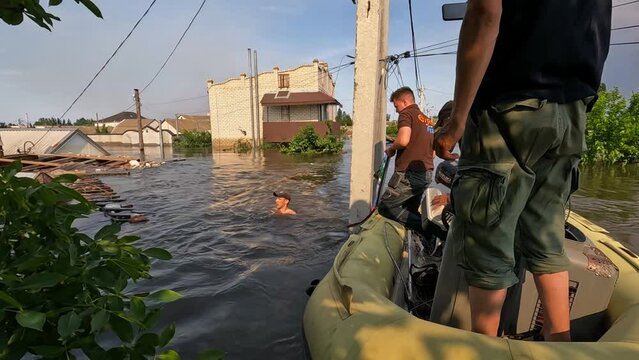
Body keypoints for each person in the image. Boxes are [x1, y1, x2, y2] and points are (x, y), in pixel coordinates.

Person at [434, 0, 611, 341]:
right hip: (572, 112)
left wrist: (457, 119)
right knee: (547, 238)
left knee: (489, 240)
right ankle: (560, 342)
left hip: (509, 105)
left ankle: (489, 348)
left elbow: (485, 13)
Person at [379, 86, 434, 233]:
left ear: (404, 102)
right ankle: (425, 238)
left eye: (396, 106)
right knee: (410, 209)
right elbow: (433, 153)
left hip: (409, 174)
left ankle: (431, 231)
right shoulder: (427, 120)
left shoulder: (406, 114)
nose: (396, 110)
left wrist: (391, 149)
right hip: (427, 173)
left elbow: (403, 140)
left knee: (385, 207)